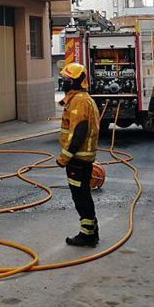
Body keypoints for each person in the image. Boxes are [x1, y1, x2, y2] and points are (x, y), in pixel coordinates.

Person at [56, 62, 100, 247]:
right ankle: (91, 231)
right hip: (81, 158)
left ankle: (87, 235)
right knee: (82, 194)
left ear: (76, 82)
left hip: (78, 159)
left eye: (67, 79)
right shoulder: (79, 99)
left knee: (80, 196)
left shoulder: (80, 101)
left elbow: (79, 131)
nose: (64, 82)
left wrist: (64, 157)